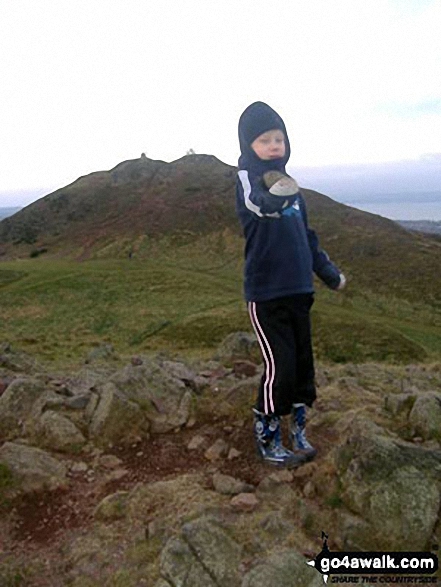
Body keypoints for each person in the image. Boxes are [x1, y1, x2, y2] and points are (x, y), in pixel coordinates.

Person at [236, 101, 346, 468]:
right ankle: (267, 435)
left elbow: (307, 238)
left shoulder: (294, 192)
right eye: (264, 139)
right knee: (279, 368)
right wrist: (274, 198)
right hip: (267, 295)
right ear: (248, 146)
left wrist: (328, 273)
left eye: (279, 138)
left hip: (299, 292)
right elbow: (257, 205)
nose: (273, 145)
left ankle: (297, 431)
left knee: (302, 369)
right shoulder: (247, 181)